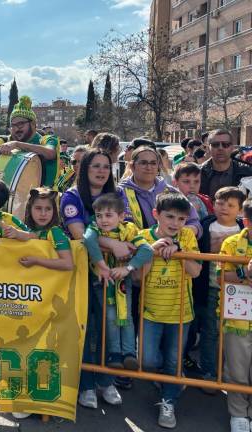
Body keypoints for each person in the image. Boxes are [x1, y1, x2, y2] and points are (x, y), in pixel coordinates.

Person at [61, 148, 130, 407]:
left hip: (114, 274)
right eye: (95, 166)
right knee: (87, 330)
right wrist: (112, 245)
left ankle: (106, 381)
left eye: (105, 166)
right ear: (84, 169)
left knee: (109, 330)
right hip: (81, 273)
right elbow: (79, 234)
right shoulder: (72, 196)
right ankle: (86, 385)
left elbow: (129, 230)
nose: (101, 171)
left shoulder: (118, 195)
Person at [139, 193, 201, 429]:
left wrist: (179, 251)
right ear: (156, 215)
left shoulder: (186, 236)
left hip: (180, 312)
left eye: (181, 219)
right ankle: (171, 379)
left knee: (174, 361)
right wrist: (150, 251)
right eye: (170, 217)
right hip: (150, 311)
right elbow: (137, 277)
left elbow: (195, 272)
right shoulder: (143, 237)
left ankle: (168, 400)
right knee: (148, 360)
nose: (175, 223)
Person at [83, 193, 153, 370]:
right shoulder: (94, 229)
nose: (103, 220)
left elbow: (147, 250)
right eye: (99, 215)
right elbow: (88, 239)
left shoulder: (129, 230)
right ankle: (115, 352)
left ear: (121, 216)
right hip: (102, 281)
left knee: (126, 315)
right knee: (111, 316)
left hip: (122, 281)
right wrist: (102, 266)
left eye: (108, 215)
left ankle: (129, 352)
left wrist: (127, 268)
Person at [191, 187, 245, 389]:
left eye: (231, 205)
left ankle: (233, 374)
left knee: (234, 334)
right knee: (210, 332)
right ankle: (209, 372)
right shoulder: (206, 225)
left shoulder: (243, 228)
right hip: (211, 288)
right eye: (220, 202)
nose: (224, 208)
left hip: (239, 290)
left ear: (240, 210)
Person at [218, 198, 252, 432]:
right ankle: (239, 414)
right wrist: (244, 272)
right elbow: (222, 275)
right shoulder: (231, 243)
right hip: (238, 316)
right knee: (237, 367)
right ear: (247, 221)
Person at [120, 145, 201, 236]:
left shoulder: (172, 192)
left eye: (153, 163)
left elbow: (195, 224)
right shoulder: (119, 193)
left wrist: (175, 235)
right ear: (132, 166)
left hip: (171, 248)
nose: (149, 167)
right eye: (143, 163)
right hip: (133, 248)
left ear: (158, 166)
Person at [0, 96, 60, 188]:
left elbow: (50, 153)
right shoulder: (4, 142)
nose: (16, 129)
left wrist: (17, 144)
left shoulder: (48, 140)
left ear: (33, 124)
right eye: (13, 125)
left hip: (45, 199)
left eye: (21, 124)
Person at [17, 187, 73, 271]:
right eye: (38, 208)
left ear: (54, 211)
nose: (43, 214)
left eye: (48, 209)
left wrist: (36, 261)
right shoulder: (23, 229)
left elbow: (68, 264)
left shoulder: (55, 231)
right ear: (29, 209)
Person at [201, 129, 252, 200]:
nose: (220, 148)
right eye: (215, 145)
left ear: (232, 148)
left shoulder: (248, 172)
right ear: (208, 148)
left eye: (226, 144)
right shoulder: (198, 173)